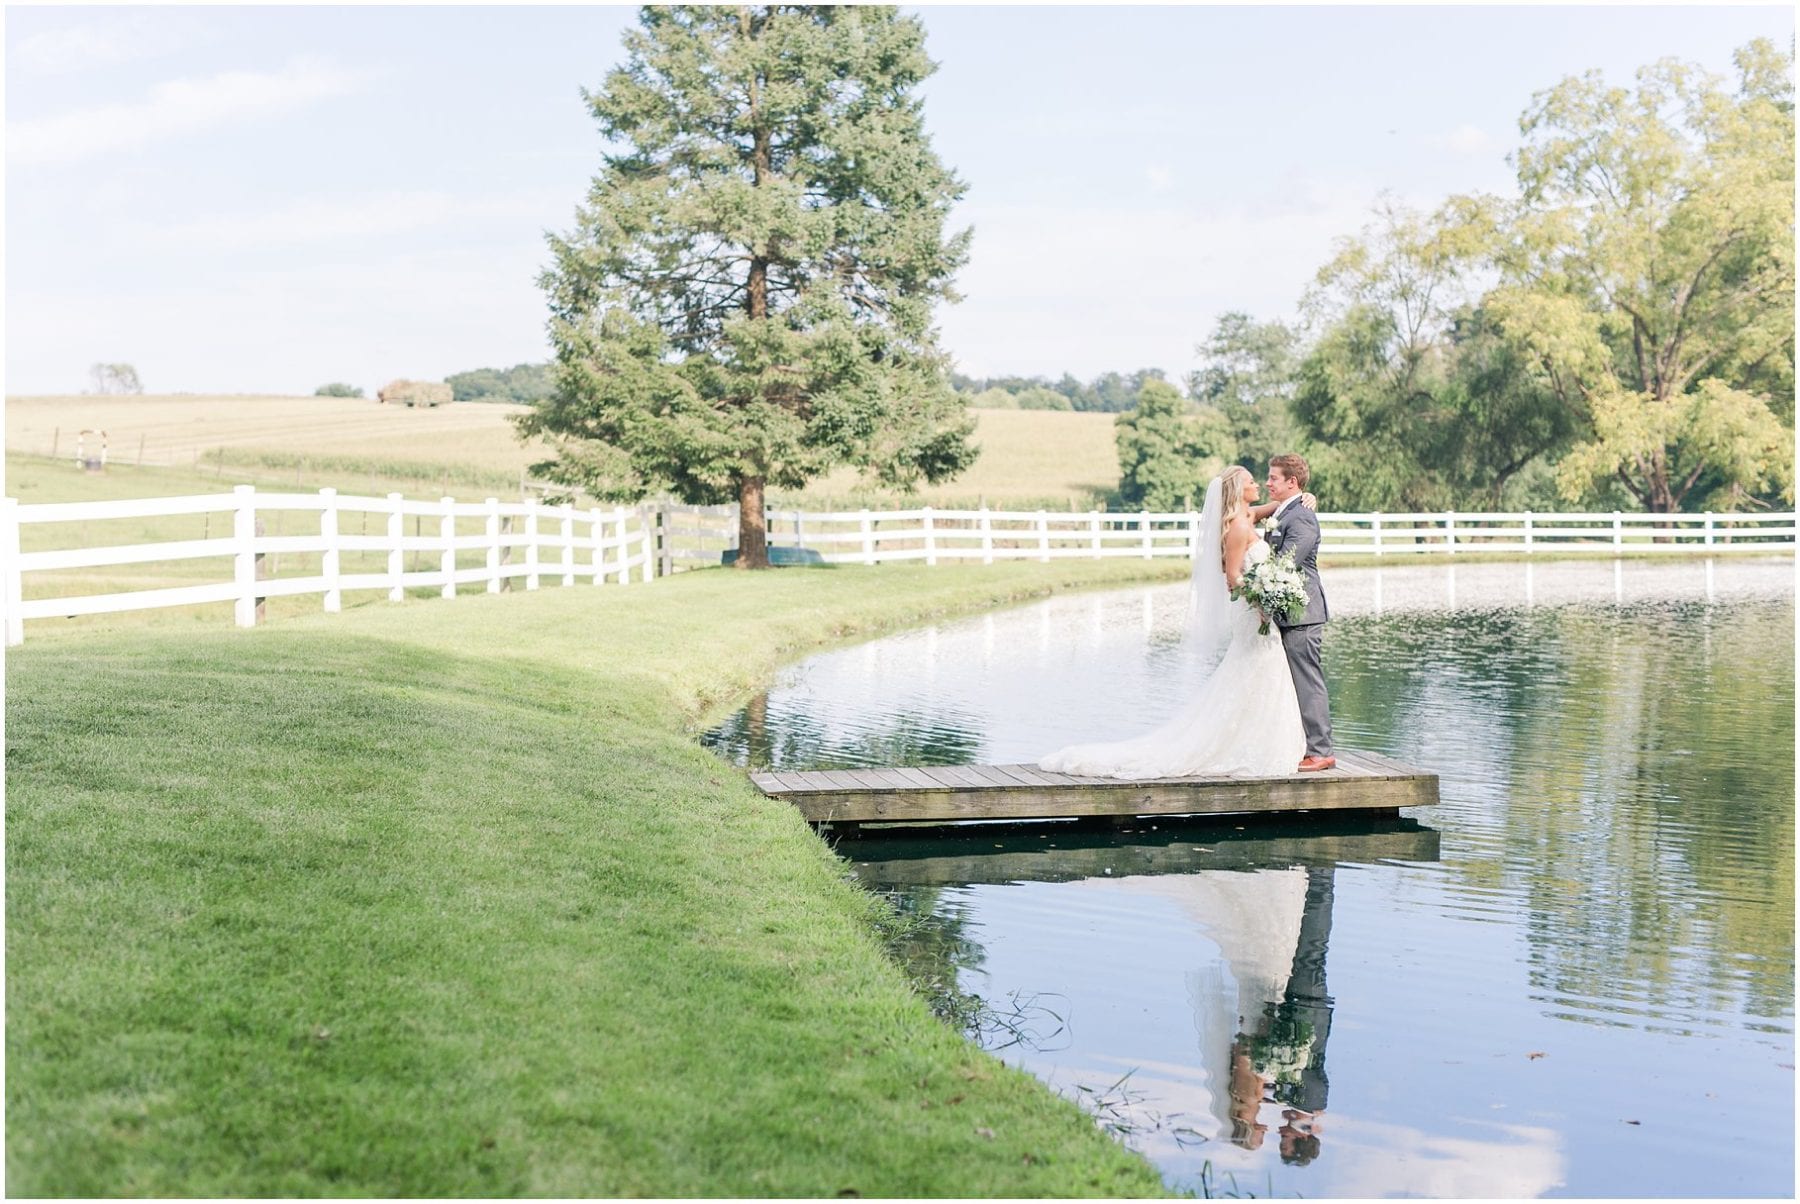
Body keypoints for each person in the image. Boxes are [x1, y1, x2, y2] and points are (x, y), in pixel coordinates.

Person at [1038, 466, 1304, 778]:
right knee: (1259, 668)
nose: (1258, 484)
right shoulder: (1237, 527)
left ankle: (1256, 741)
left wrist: (1304, 496)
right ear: (1236, 489)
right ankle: (1243, 745)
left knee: (1260, 671)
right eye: (1250, 481)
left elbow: (1277, 506)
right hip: (1251, 610)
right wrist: (1262, 596)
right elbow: (1232, 577)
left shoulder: (1248, 516)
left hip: (1258, 609)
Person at [1259, 455, 1334, 771]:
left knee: (1307, 681)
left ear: (1292, 482)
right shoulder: (1283, 511)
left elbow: (1286, 565)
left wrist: (1263, 596)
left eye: (1273, 477)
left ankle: (1320, 750)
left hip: (1302, 614)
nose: (1268, 482)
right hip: (1286, 613)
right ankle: (1299, 745)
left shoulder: (1301, 517)